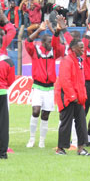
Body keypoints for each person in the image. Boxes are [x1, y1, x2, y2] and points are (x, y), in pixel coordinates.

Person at [25, 20, 64, 148]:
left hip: (49, 88)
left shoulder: (55, 51)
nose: (50, 44)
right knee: (36, 111)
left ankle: (42, 140)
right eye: (48, 42)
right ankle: (31, 139)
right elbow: (28, 41)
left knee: (46, 114)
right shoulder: (35, 50)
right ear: (42, 42)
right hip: (38, 86)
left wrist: (55, 30)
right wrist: (39, 30)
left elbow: (61, 44)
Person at [55, 38, 90, 156]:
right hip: (67, 96)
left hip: (78, 96)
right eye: (81, 47)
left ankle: (81, 148)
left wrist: (81, 95)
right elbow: (65, 80)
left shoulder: (79, 60)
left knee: (81, 122)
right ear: (74, 49)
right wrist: (72, 96)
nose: (83, 49)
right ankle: (60, 149)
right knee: (66, 122)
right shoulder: (67, 60)